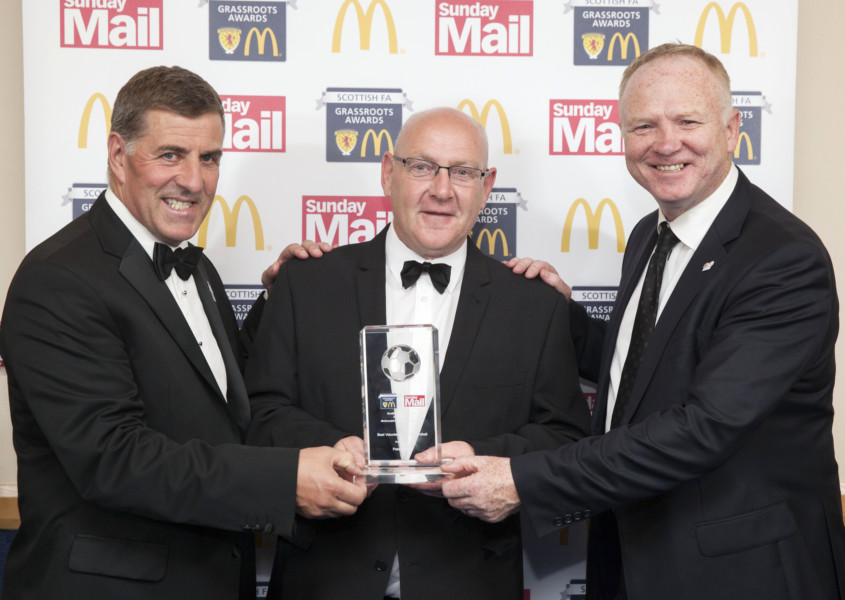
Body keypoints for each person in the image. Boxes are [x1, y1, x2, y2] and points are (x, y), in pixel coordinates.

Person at [440, 43, 845, 600]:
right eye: (644, 126)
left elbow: (703, 426)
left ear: (731, 130)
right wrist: (563, 319)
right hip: (632, 555)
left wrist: (523, 478)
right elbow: (654, 366)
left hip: (739, 573)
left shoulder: (782, 258)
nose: (665, 143)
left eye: (687, 121)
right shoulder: (649, 236)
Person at [0, 66, 366, 600]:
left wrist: (282, 298)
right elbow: (115, 459)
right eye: (170, 154)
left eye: (209, 158)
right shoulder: (58, 279)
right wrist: (285, 479)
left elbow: (221, 400)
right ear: (117, 154)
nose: (194, 181)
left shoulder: (196, 267)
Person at [243, 107, 590, 600]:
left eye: (463, 172)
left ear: (487, 186)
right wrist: (332, 449)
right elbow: (260, 412)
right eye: (422, 167)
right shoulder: (307, 283)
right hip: (325, 576)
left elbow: (565, 435)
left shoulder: (534, 304)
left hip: (471, 580)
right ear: (389, 173)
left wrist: (486, 461)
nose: (442, 190)